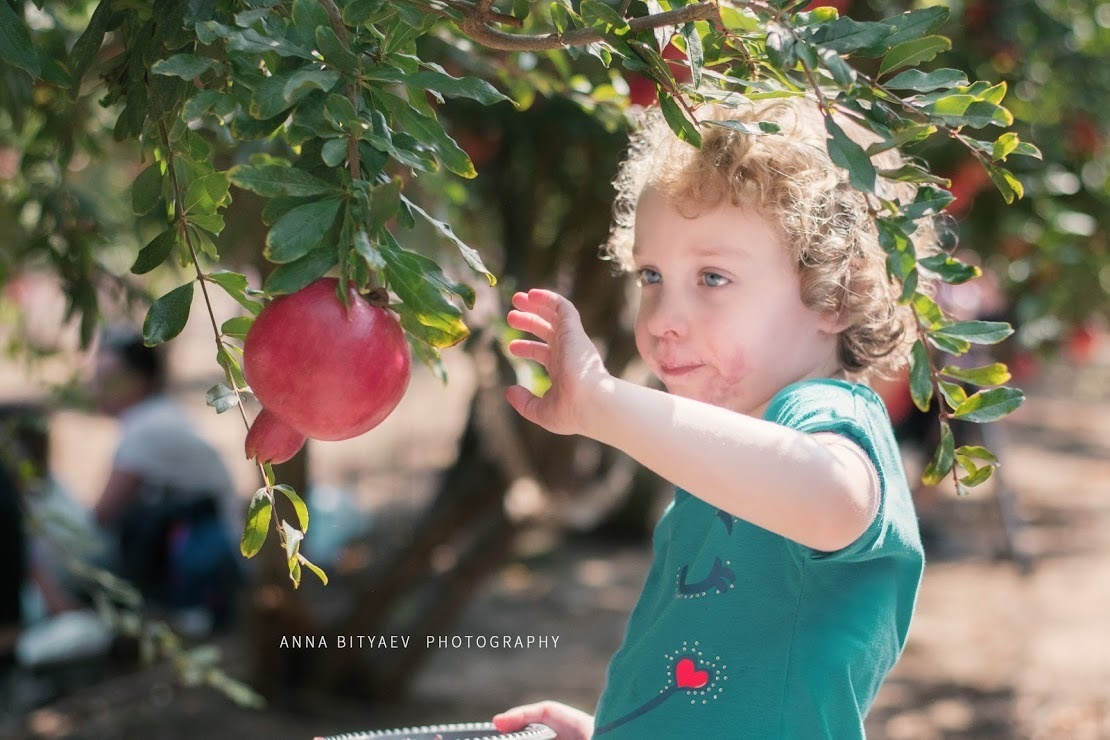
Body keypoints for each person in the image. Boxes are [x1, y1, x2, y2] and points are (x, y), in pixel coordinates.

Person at [492, 98, 931, 738]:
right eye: (651, 275)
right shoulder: (721, 463)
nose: (664, 317)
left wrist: (603, 403)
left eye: (713, 278)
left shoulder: (827, 416)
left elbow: (832, 495)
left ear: (833, 296)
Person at [90, 330, 241, 634]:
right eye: (96, 377)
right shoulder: (159, 416)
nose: (97, 387)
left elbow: (102, 515)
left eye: (109, 378)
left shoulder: (145, 431)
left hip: (208, 556)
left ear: (141, 381)